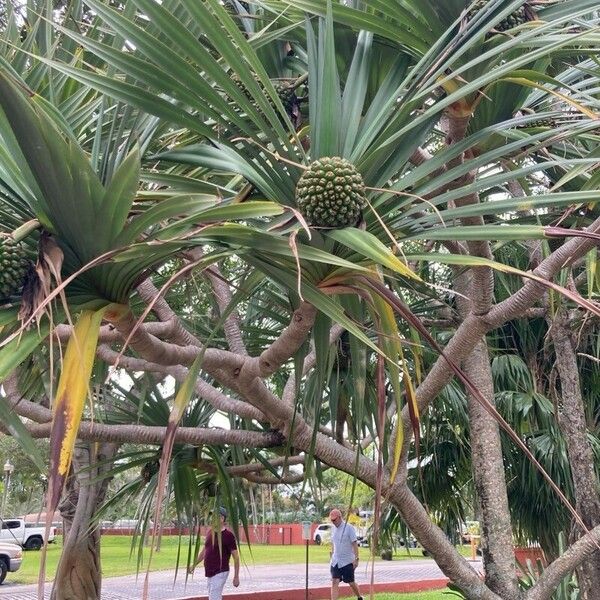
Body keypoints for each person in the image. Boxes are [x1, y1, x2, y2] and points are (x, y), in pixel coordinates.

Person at [188, 507, 240, 600]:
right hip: (210, 572)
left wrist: (236, 576)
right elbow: (204, 551)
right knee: (214, 597)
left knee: (214, 597)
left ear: (222, 518)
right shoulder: (210, 532)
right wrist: (194, 565)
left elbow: (236, 557)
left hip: (220, 572)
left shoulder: (228, 536)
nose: (212, 519)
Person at [329, 508, 363, 600]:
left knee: (351, 582)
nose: (333, 522)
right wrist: (331, 555)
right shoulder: (333, 529)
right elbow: (333, 543)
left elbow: (354, 544)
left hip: (347, 561)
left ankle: (359, 597)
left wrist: (356, 559)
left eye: (334, 520)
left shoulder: (349, 528)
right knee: (334, 581)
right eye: (331, 520)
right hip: (335, 561)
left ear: (340, 517)